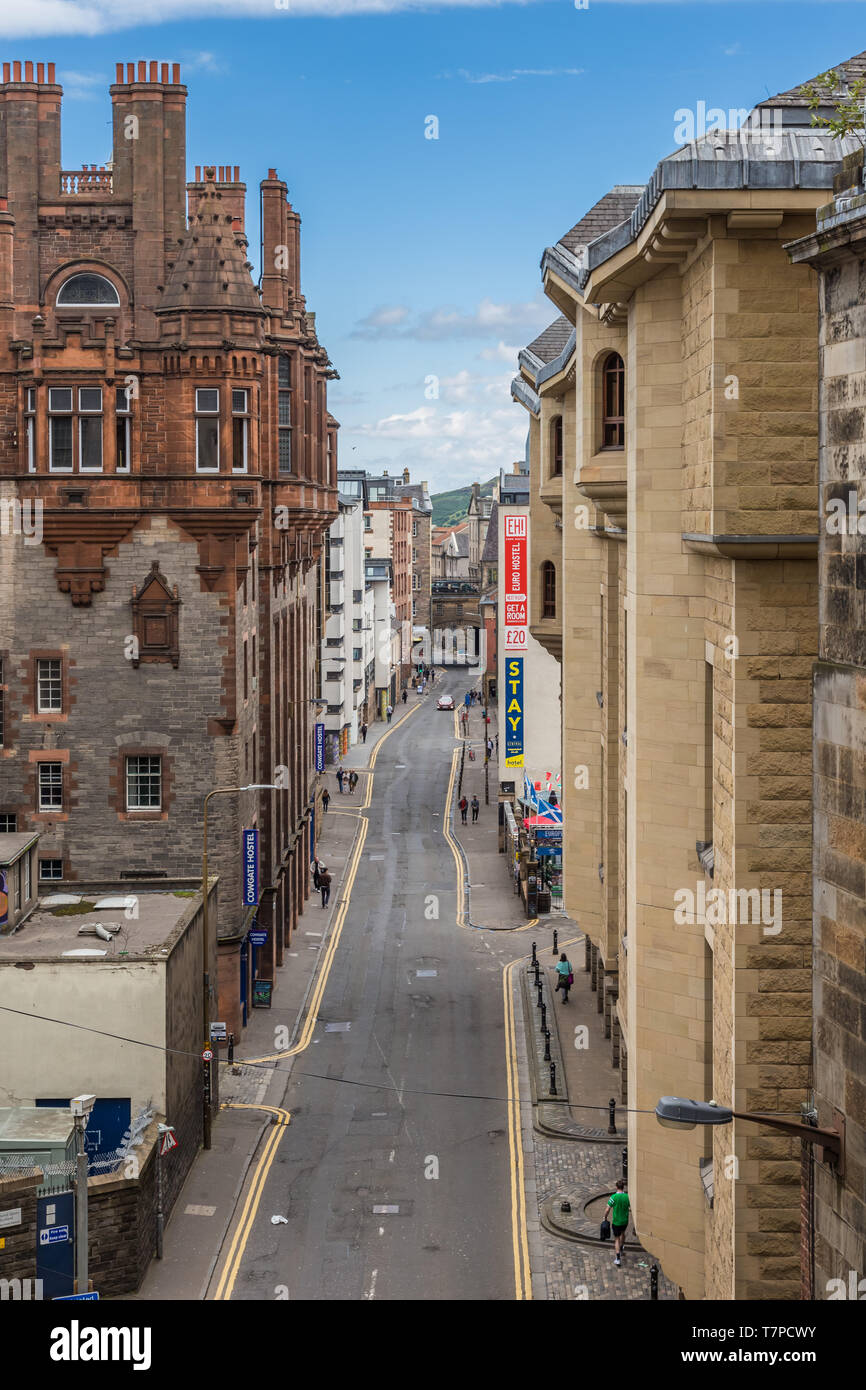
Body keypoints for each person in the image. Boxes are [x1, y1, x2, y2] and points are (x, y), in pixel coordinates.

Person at [607, 1179, 631, 1267]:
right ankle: (622, 1247)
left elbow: (607, 1209)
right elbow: (630, 1208)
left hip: (616, 1222)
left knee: (617, 1239)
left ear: (616, 1187)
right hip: (625, 1221)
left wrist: (605, 1217)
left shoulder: (613, 1197)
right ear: (623, 1187)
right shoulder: (627, 1197)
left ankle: (618, 1258)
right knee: (623, 1233)